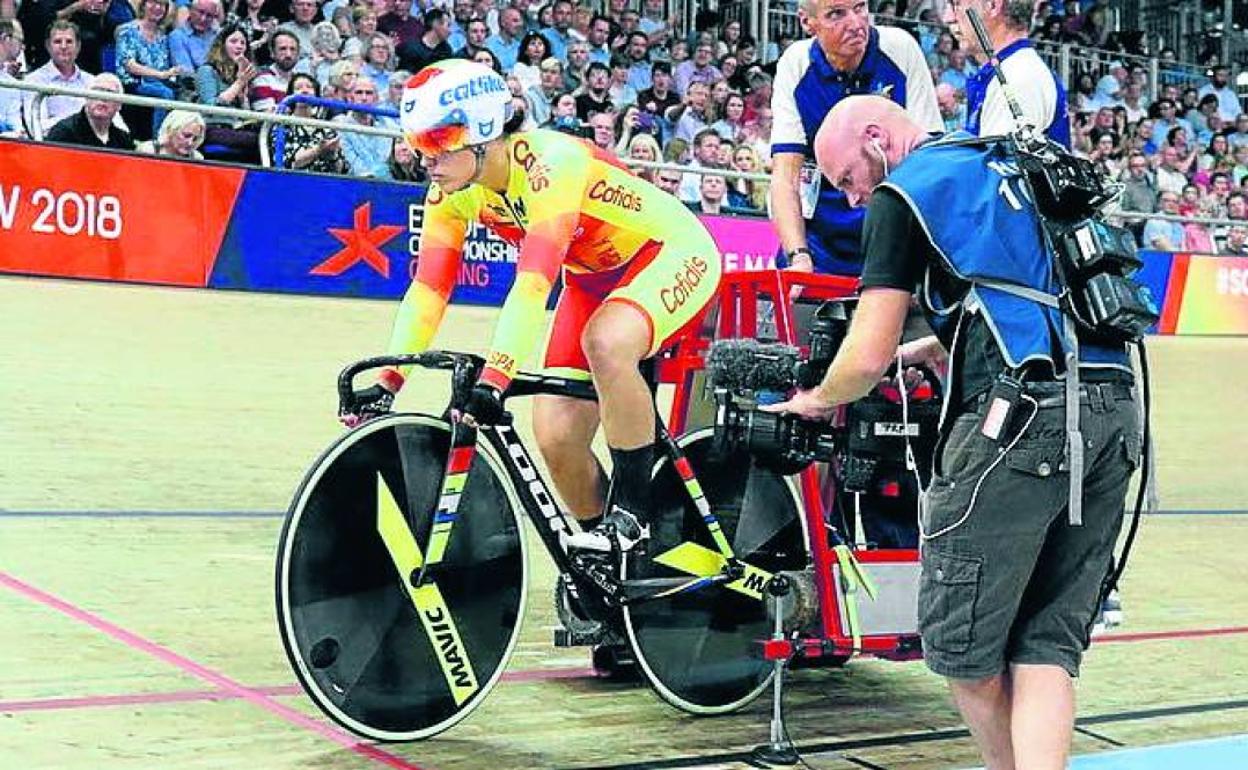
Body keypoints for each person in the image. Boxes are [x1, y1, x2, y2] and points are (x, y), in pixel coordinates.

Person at [764, 95, 1139, 770]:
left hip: (1021, 425)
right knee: (1045, 644)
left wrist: (817, 399)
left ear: (876, 138)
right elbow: (1021, 295)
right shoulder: (999, 160)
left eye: (848, 178)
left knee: (961, 649)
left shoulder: (906, 193)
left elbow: (867, 349)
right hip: (1114, 413)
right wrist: (934, 350)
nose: (852, 200)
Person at [343, 60, 722, 562]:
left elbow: (532, 284)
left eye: (436, 141)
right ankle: (607, 571)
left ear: (479, 132)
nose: (423, 159)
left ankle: (631, 516)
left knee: (606, 342)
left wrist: (496, 379)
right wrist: (391, 378)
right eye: (416, 144)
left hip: (671, 251)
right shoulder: (451, 193)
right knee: (556, 439)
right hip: (590, 279)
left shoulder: (550, 164)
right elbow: (429, 290)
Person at [769, 0, 941, 278]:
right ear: (807, 22)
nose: (856, 24)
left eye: (860, 8)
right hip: (820, 245)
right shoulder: (796, 64)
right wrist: (798, 255)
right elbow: (786, 176)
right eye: (837, 14)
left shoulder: (900, 48)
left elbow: (929, 159)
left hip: (891, 236)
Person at [943, 0, 1070, 147]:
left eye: (956, 4)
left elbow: (994, 167)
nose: (948, 17)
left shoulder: (1018, 76)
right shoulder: (1013, 69)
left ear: (993, 5)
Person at [195, 22, 260, 161]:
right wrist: (239, 83)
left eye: (243, 43)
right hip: (210, 128)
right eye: (233, 41)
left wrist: (243, 97)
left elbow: (245, 117)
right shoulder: (207, 70)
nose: (239, 46)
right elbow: (211, 107)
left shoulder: (240, 75)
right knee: (257, 141)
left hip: (235, 128)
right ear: (222, 45)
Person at [269, 72, 348, 172]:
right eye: (298, 88)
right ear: (291, 95)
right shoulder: (283, 125)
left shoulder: (327, 127)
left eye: (309, 87)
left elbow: (341, 170)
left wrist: (332, 156)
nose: (305, 91)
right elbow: (288, 164)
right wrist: (318, 150)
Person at [23, 20, 95, 132]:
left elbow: (115, 123)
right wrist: (79, 121)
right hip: (54, 144)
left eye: (69, 42)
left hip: (90, 145)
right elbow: (36, 127)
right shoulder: (33, 81)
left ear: (78, 46)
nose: (64, 46)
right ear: (48, 46)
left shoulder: (92, 82)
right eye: (57, 41)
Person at [44, 71, 135, 148]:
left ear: (119, 105)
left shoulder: (123, 139)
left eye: (110, 93)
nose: (102, 98)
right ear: (86, 98)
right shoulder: (64, 133)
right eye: (97, 91)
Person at [333, 74, 392, 178]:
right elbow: (352, 164)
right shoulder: (340, 124)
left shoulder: (388, 124)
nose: (364, 98)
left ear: (376, 98)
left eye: (368, 93)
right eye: (359, 93)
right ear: (350, 98)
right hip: (354, 183)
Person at [248, 29, 299, 112]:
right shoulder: (262, 78)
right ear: (272, 53)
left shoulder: (302, 81)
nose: (288, 54)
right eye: (283, 49)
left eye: (292, 49)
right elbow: (268, 115)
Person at [169, 0, 220, 75]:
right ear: (190, 10)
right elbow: (186, 74)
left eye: (209, 15)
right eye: (200, 12)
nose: (203, 19)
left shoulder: (218, 34)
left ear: (214, 17)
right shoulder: (177, 36)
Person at [397, 8, 452, 73]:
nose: (450, 31)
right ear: (436, 24)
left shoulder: (446, 50)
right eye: (448, 25)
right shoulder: (411, 48)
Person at [138, 107, 205, 157]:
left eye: (195, 139)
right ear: (170, 130)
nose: (190, 143)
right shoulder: (148, 150)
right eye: (186, 135)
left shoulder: (196, 158)